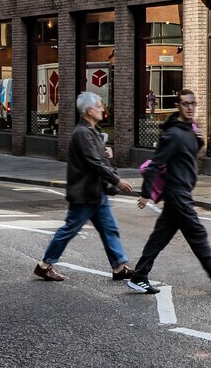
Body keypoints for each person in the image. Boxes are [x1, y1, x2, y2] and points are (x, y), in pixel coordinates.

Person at [126, 89, 211, 295]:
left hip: (180, 192)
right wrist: (145, 194)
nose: (189, 108)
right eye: (185, 104)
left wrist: (200, 141)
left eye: (192, 104)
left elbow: (187, 157)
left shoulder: (189, 131)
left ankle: (139, 276)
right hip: (177, 192)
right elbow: (154, 165)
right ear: (178, 106)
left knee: (159, 237)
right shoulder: (173, 134)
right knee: (197, 233)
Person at [32, 92, 135, 283]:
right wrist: (117, 181)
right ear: (88, 111)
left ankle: (119, 267)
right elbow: (93, 162)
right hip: (85, 194)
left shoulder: (91, 131)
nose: (102, 109)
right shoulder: (82, 133)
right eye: (99, 106)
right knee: (70, 229)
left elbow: (97, 158)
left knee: (109, 229)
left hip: (97, 192)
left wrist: (107, 154)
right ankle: (44, 265)